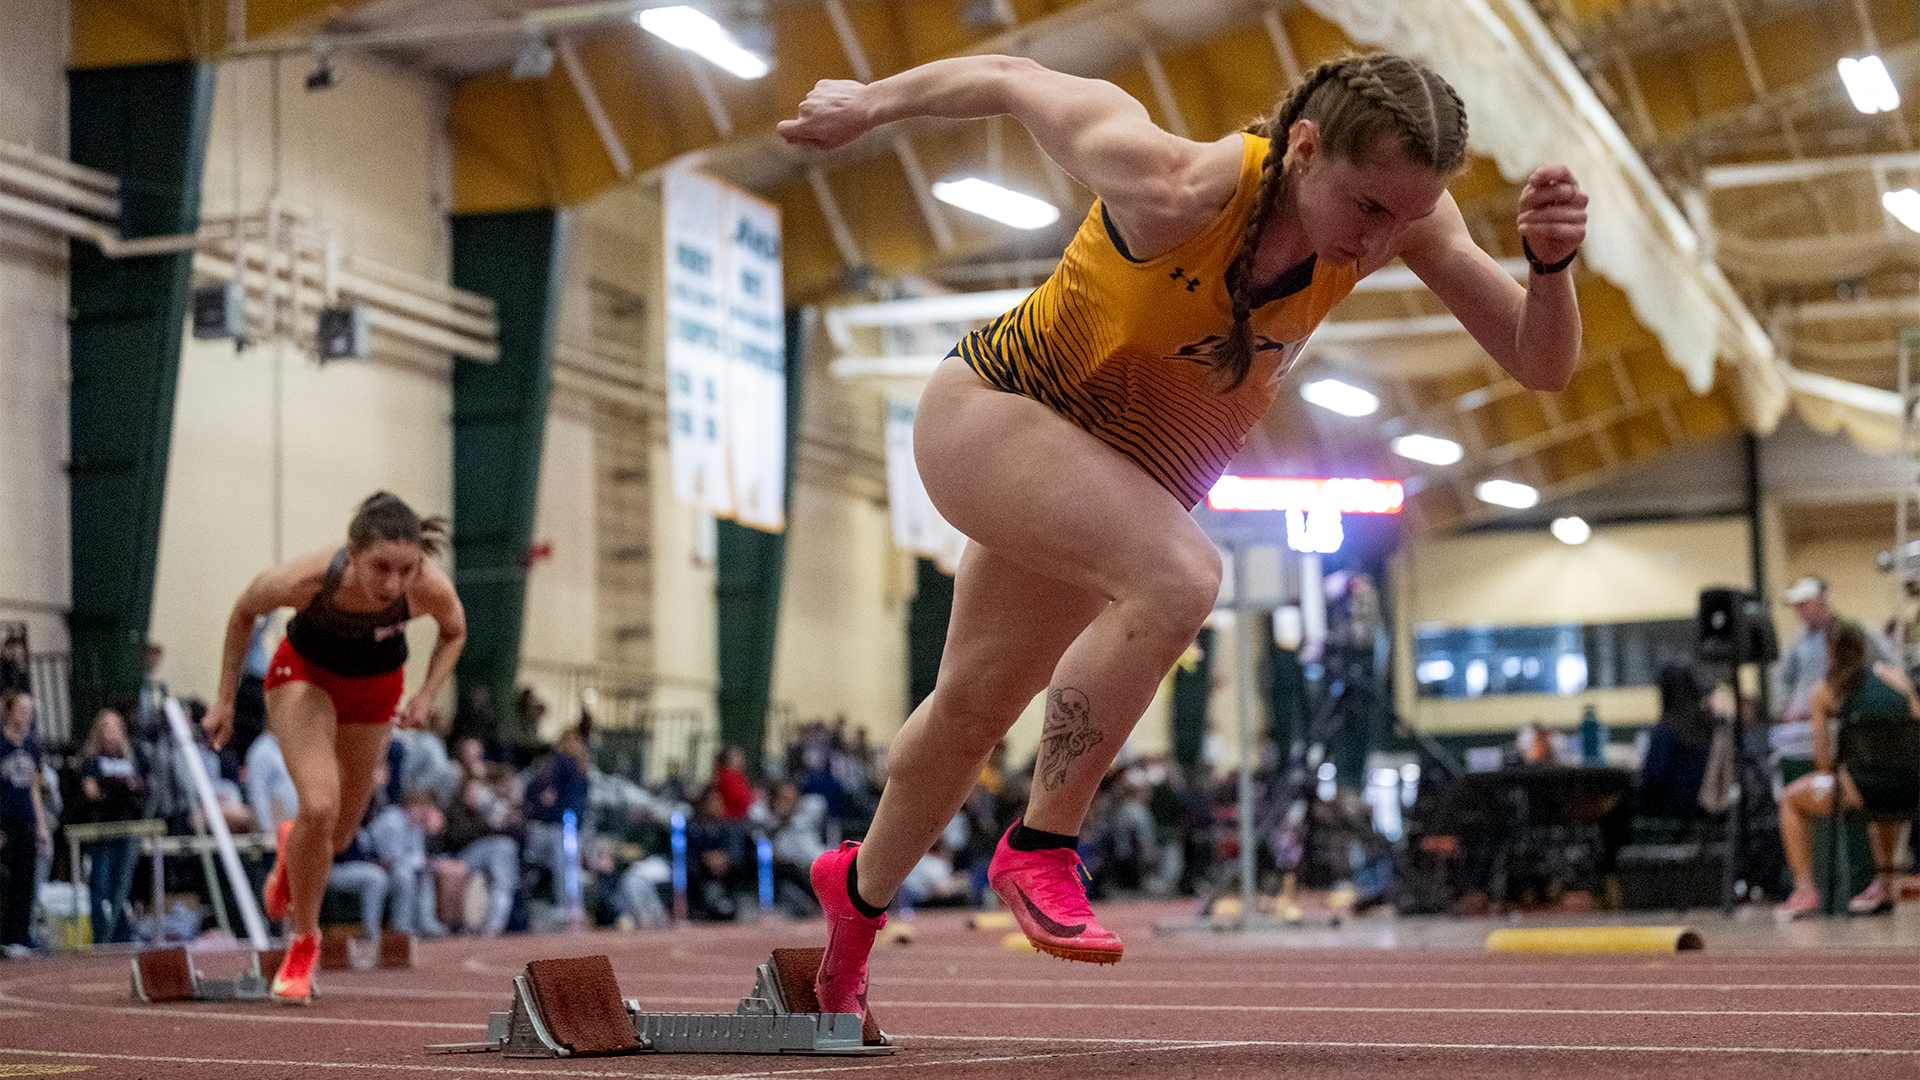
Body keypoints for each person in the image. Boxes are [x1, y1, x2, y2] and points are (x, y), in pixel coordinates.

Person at [778, 50, 1585, 1022]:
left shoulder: (1402, 218)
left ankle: (854, 907)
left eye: (1409, 218)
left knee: (969, 711)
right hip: (998, 414)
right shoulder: (1166, 182)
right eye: (1370, 210)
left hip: (1118, 479)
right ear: (1305, 147)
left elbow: (1541, 363)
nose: (1385, 242)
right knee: (1179, 577)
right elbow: (1007, 73)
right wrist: (867, 102)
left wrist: (1549, 269)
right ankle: (1040, 847)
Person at [202, 492, 466, 1004]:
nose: (393, 584)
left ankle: (290, 845)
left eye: (405, 569)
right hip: (304, 677)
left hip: (374, 688)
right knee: (319, 806)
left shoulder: (426, 587)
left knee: (339, 836)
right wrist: (225, 700)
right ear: (353, 552)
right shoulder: (306, 579)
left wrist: (428, 694)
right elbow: (243, 612)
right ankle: (304, 943)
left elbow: (454, 631)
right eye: (380, 568)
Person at [1774, 620, 1920, 920]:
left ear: (1830, 650)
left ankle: (1804, 891)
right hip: (1909, 789)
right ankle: (1885, 885)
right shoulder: (1896, 683)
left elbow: (1824, 764)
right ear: (1865, 648)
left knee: (1790, 798)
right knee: (1884, 801)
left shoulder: (1825, 692)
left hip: (1861, 791)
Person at [76, 708, 147, 944]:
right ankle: (102, 935)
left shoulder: (129, 759)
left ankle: (121, 934)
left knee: (122, 885)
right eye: (107, 727)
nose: (112, 732)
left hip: (125, 829)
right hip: (101, 831)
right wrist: (115, 788)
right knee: (100, 885)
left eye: (117, 727)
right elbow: (91, 792)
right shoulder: (92, 760)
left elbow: (138, 789)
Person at [0, 691, 50, 956]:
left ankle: (19, 937)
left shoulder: (32, 745)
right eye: (22, 710)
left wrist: (41, 824)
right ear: (9, 712)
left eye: (31, 710)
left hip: (26, 819)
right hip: (5, 821)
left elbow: (34, 787)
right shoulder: (1, 743)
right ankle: (3, 936)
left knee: (25, 880)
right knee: (4, 881)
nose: (27, 716)